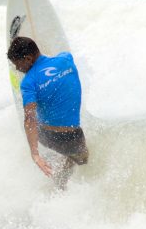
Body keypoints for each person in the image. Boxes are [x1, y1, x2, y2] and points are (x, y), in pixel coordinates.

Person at [7, 36, 88, 189]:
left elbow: (29, 119)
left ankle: (57, 180)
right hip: (69, 136)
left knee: (78, 158)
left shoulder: (28, 83)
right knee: (82, 159)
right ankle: (60, 181)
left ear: (28, 58)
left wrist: (35, 154)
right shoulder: (66, 59)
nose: (17, 69)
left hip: (48, 135)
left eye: (17, 64)